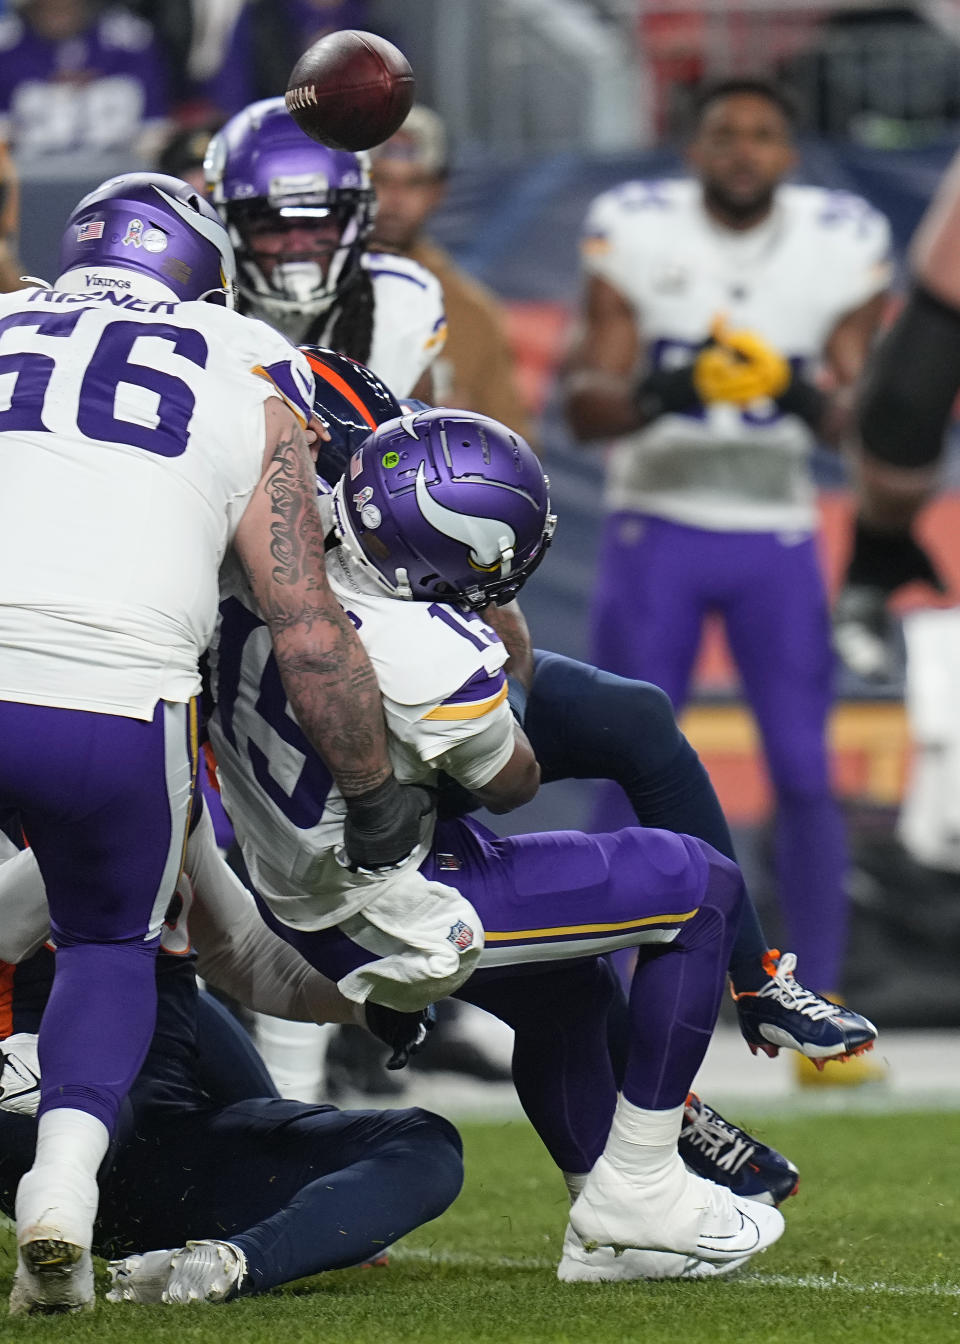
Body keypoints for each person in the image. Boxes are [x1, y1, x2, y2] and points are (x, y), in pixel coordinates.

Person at [205, 402, 787, 1278]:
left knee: (564, 988)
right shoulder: (428, 653)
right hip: (389, 901)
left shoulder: (259, 557)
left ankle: (609, 1224)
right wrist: (492, 647)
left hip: (291, 878)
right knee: (700, 884)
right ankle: (644, 1183)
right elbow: (510, 784)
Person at [0, 172, 429, 1315]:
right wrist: (378, 790)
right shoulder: (244, 361)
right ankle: (61, 1195)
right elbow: (308, 626)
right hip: (119, 693)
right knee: (109, 948)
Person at [563, 76, 892, 1081]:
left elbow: (872, 418)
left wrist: (794, 390)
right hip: (655, 525)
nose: (743, 150)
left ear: (789, 154)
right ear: (693, 149)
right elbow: (586, 405)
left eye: (761, 134)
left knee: (801, 771)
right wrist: (667, 386)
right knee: (627, 775)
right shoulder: (636, 225)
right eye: (724, 134)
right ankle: (605, 1009)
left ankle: (817, 1013)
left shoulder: (839, 239)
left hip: (773, 537)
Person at [0, 799, 463, 1306]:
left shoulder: (170, 797)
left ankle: (225, 1265)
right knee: (98, 1105)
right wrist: (129, 810)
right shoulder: (146, 803)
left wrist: (366, 1001)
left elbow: (239, 948)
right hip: (39, 1110)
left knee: (424, 1142)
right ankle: (55, 1215)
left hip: (166, 1152)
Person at [204, 96, 446, 399]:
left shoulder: (400, 304)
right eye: (271, 225)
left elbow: (415, 442)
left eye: (316, 223)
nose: (296, 244)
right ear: (231, 226)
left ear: (355, 220)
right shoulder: (200, 312)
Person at [369, 104, 534, 441]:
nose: (395, 199)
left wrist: (473, 432)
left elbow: (520, 449)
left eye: (413, 183)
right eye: (381, 180)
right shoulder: (309, 283)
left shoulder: (471, 312)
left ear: (437, 192)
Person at [0, 1, 170, 159]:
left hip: (120, 176)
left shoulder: (130, 40)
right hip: (27, 180)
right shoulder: (7, 44)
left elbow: (155, 130)